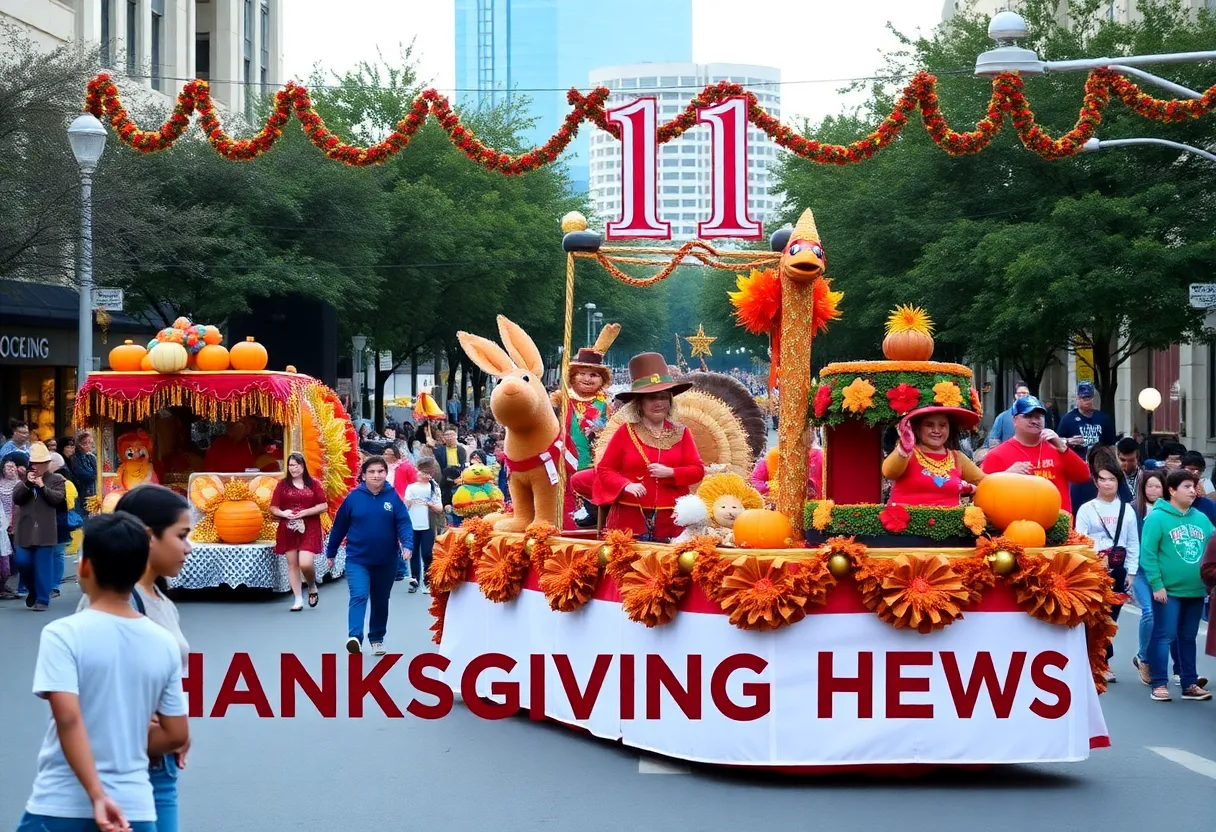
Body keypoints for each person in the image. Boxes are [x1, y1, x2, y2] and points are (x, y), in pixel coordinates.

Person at [16, 511, 187, 832]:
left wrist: (97, 795)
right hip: (134, 807)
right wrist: (132, 733)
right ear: (140, 569)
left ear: (84, 567)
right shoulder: (164, 642)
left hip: (61, 802)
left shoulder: (62, 633)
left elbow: (68, 718)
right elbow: (177, 734)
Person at [76, 485, 194, 832]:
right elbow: (89, 688)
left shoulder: (159, 598)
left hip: (160, 762)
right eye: (181, 536)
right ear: (147, 537)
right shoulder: (114, 602)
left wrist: (178, 730)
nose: (188, 548)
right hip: (127, 765)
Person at [590, 353, 705, 541]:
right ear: (639, 403)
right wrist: (625, 485)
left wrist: (671, 473)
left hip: (672, 521)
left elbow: (697, 471)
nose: (659, 403)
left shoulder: (682, 433)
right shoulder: (625, 432)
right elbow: (604, 469)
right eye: (651, 398)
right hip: (630, 521)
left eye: (663, 397)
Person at [325, 456, 414, 657]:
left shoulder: (392, 497)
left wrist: (406, 544)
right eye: (371, 472)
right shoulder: (354, 498)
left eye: (380, 471)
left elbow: (403, 523)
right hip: (358, 559)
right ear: (363, 475)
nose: (376, 475)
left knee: (381, 600)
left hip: (386, 561)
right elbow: (339, 527)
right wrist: (331, 552)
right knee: (359, 595)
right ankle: (355, 636)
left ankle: (377, 638)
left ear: (385, 473)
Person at [1139, 469, 1213, 702]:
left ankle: (1189, 682)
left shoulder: (1200, 518)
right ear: (1172, 490)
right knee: (1164, 636)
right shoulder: (1158, 517)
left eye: (1194, 487)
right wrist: (1156, 584)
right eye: (1186, 487)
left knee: (1188, 637)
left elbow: (1213, 545)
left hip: (1195, 590)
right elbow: (1148, 554)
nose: (1192, 491)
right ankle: (1159, 683)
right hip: (1168, 591)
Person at [1075, 453, 1138, 684]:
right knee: (1093, 617)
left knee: (1110, 619)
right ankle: (1092, 661)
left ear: (1118, 482)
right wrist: (1093, 561)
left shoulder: (1127, 510)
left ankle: (1103, 661)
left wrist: (1131, 571)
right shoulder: (1086, 509)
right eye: (1103, 479)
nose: (1108, 483)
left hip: (1118, 571)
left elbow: (1132, 542)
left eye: (1112, 479)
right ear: (1096, 481)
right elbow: (1080, 541)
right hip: (1093, 570)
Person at [980, 395, 1091, 514]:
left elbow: (1083, 476)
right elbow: (983, 493)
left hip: (1059, 525)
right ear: (1014, 420)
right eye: (1028, 416)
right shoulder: (997, 454)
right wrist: (1006, 475)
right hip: (1019, 527)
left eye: (1039, 416)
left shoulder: (1058, 448)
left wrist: (1062, 447)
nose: (1034, 421)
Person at [882, 405, 984, 507]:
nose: (936, 430)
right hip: (905, 521)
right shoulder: (907, 452)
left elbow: (986, 482)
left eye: (942, 425)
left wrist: (971, 490)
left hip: (949, 521)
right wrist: (903, 448)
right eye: (929, 425)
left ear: (949, 428)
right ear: (917, 429)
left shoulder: (958, 457)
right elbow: (889, 472)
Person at [270, 453, 330, 612]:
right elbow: (273, 507)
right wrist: (284, 514)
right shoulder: (282, 485)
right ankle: (297, 598)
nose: (293, 468)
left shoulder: (314, 484)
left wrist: (305, 512)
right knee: (292, 564)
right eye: (290, 465)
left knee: (305, 562)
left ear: (303, 466)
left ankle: (311, 585)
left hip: (309, 526)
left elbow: (323, 505)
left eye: (296, 465)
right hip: (288, 527)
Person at [12, 442, 67, 611]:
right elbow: (17, 498)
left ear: (47, 463)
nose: (37, 466)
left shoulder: (57, 479)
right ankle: (33, 590)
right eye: (34, 463)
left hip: (46, 530)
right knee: (22, 561)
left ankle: (43, 599)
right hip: (25, 529)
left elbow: (57, 499)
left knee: (43, 566)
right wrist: (28, 484)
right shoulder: (25, 479)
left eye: (41, 463)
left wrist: (43, 487)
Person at [403, 459, 443, 595]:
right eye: (420, 471)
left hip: (428, 525)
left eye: (425, 472)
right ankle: (414, 580)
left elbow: (439, 508)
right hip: (413, 525)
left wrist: (428, 504)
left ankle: (427, 580)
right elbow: (405, 505)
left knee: (427, 553)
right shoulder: (411, 487)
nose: (421, 474)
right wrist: (409, 503)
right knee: (413, 554)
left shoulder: (434, 487)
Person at [985, 381, 1030, 449]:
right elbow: (993, 442)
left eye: (1027, 394)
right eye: (1022, 393)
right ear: (1015, 396)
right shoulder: (1002, 417)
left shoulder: (1035, 417)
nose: (1025, 396)